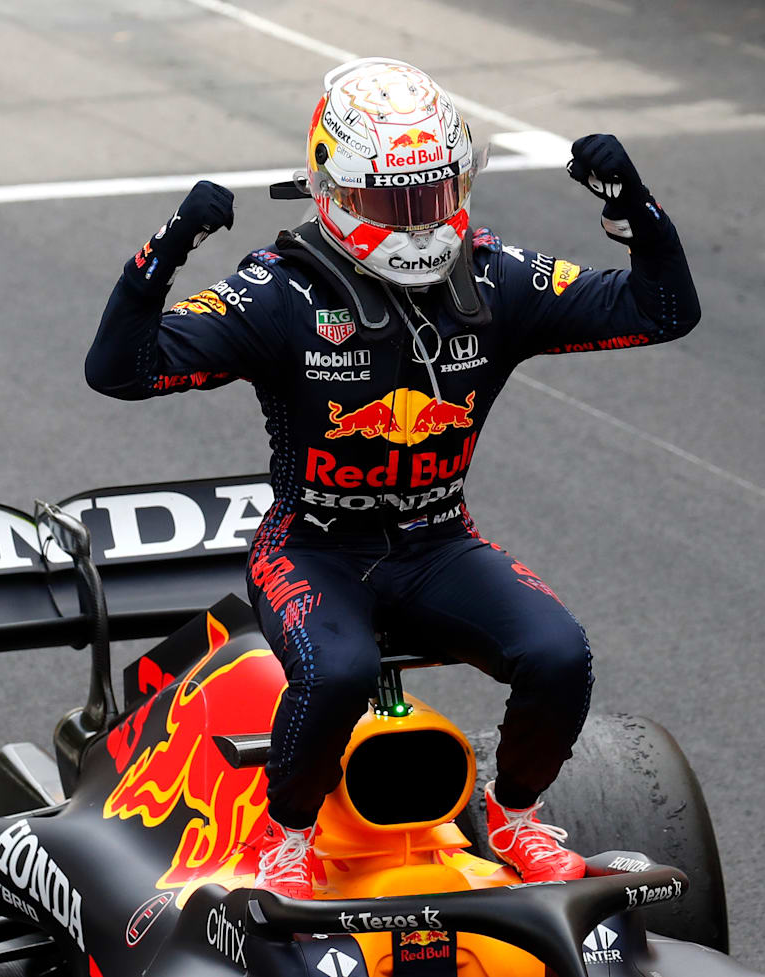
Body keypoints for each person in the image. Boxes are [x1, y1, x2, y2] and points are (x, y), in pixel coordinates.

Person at [86, 57, 700, 899]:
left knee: (559, 653)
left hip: (437, 542)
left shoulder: (497, 277)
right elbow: (119, 368)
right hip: (311, 549)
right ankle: (288, 840)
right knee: (333, 674)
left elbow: (663, 310)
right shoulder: (279, 292)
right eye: (391, 202)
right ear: (334, 192)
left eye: (432, 195)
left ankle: (517, 817)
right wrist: (168, 248)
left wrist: (635, 207)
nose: (417, 223)